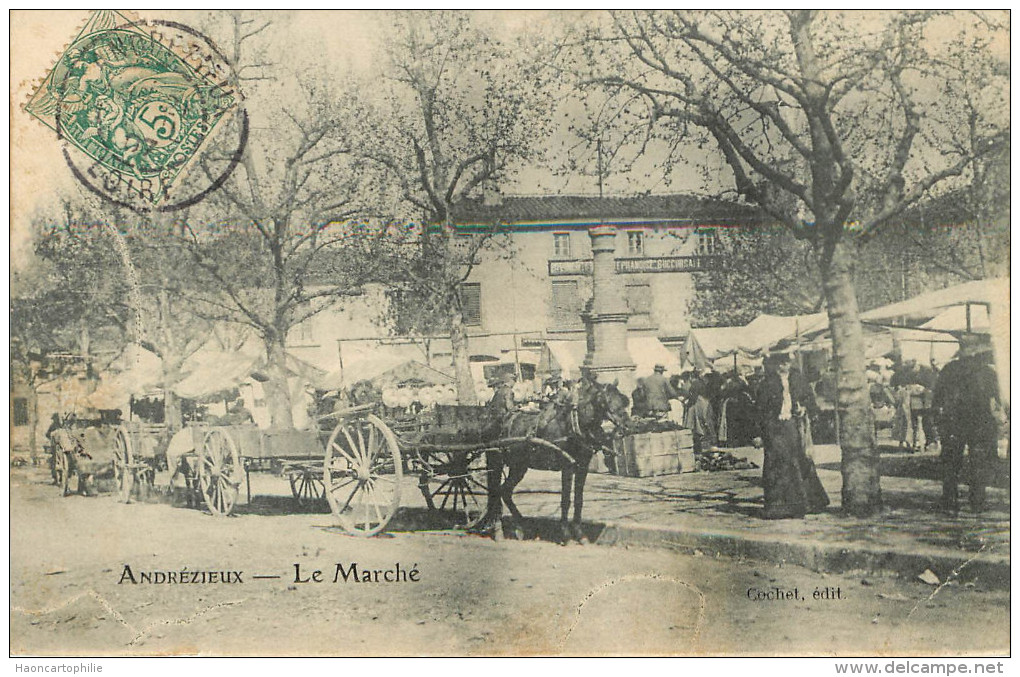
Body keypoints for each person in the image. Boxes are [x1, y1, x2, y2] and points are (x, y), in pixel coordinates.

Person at [932, 334, 1001, 514]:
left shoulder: (949, 369)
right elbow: (999, 397)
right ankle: (977, 502)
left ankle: (950, 501)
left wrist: (938, 417)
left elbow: (937, 396)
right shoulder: (988, 372)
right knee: (978, 462)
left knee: (951, 462)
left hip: (954, 421)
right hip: (980, 422)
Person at [757, 351, 829, 519]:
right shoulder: (766, 383)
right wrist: (758, 433)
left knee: (799, 461)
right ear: (775, 365)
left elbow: (809, 400)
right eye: (780, 363)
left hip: (792, 425)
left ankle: (807, 502)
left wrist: (803, 408)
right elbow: (759, 410)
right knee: (776, 464)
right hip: (773, 427)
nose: (784, 366)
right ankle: (778, 506)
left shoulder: (798, 379)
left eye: (786, 363)